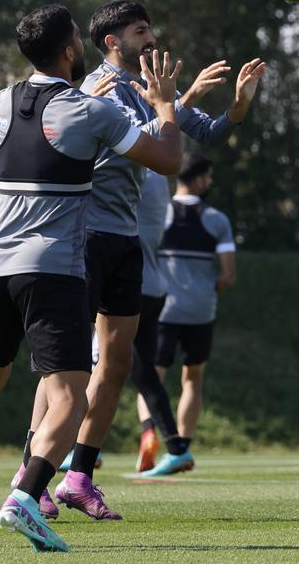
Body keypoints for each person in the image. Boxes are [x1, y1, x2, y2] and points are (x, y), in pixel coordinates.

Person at [0, 4, 183, 552]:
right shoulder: (88, 110)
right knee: (70, 398)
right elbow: (168, 159)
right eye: (77, 37)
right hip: (53, 266)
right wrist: (166, 104)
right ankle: (27, 498)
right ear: (70, 50)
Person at [24, 0, 264, 521]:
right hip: (85, 238)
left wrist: (238, 106)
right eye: (140, 32)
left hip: (125, 239)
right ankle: (31, 475)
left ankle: (78, 478)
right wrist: (170, 105)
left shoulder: (148, 88)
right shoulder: (99, 89)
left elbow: (207, 133)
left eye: (150, 29)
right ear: (112, 42)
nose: (151, 39)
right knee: (64, 367)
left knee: (114, 365)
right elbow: (154, 148)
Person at [147, 154, 237, 468]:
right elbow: (228, 275)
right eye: (208, 177)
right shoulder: (217, 219)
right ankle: (182, 444)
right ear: (199, 179)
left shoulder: (159, 213)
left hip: (162, 309)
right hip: (201, 311)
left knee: (151, 376)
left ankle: (149, 433)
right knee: (193, 378)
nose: (209, 182)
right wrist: (206, 290)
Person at [130, 168, 178, 474]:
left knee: (94, 370)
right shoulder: (160, 176)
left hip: (128, 286)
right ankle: (175, 444)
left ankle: (80, 450)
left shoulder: (130, 170)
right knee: (145, 374)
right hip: (154, 286)